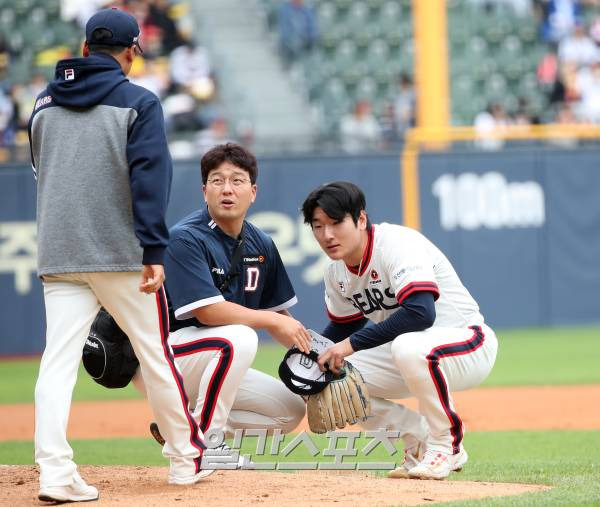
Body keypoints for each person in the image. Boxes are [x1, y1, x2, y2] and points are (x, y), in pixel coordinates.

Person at [28, 8, 207, 502]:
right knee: (154, 352)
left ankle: (55, 474)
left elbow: (41, 171)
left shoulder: (41, 104)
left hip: (60, 251)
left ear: (85, 49)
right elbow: (150, 180)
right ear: (130, 51)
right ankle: (184, 458)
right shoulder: (139, 101)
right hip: (121, 252)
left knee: (57, 363)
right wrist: (154, 248)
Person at [301, 181, 498, 480]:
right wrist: (311, 355)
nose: (327, 235)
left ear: (361, 219)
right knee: (324, 377)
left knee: (407, 346)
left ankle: (447, 445)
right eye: (318, 226)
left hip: (467, 342)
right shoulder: (336, 271)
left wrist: (347, 346)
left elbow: (420, 313)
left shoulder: (396, 244)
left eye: (336, 222)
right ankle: (416, 439)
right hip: (408, 353)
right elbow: (344, 326)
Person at [134, 142, 309, 453]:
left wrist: (318, 360)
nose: (227, 189)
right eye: (218, 180)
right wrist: (268, 320)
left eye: (237, 180)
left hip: (213, 358)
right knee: (240, 338)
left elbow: (281, 319)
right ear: (205, 191)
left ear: (253, 192)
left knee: (289, 409)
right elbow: (208, 313)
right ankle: (206, 445)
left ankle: (182, 427)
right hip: (164, 357)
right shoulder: (185, 237)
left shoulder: (262, 243)